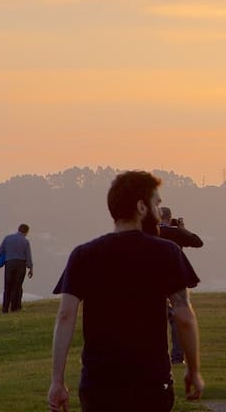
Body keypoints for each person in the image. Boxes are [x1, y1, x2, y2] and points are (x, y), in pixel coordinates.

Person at [47, 171, 203, 412]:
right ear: (141, 207)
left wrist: (57, 381)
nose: (159, 212)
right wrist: (193, 370)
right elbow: (183, 315)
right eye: (156, 204)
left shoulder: (83, 255)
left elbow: (65, 316)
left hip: (98, 384)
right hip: (151, 382)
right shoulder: (167, 253)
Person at [151, 206, 204, 366]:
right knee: (177, 319)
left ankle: (156, 355)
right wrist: (182, 229)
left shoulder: (150, 233)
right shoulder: (176, 233)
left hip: (153, 280)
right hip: (175, 281)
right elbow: (197, 242)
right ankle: (177, 357)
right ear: (169, 218)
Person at [0, 224, 35, 314]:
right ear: (26, 232)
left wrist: (5, 258)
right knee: (16, 287)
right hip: (20, 264)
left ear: (18, 229)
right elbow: (28, 256)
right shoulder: (25, 241)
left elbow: (0, 250)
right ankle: (14, 308)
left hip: (9, 264)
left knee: (7, 287)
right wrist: (30, 268)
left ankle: (5, 308)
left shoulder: (7, 238)